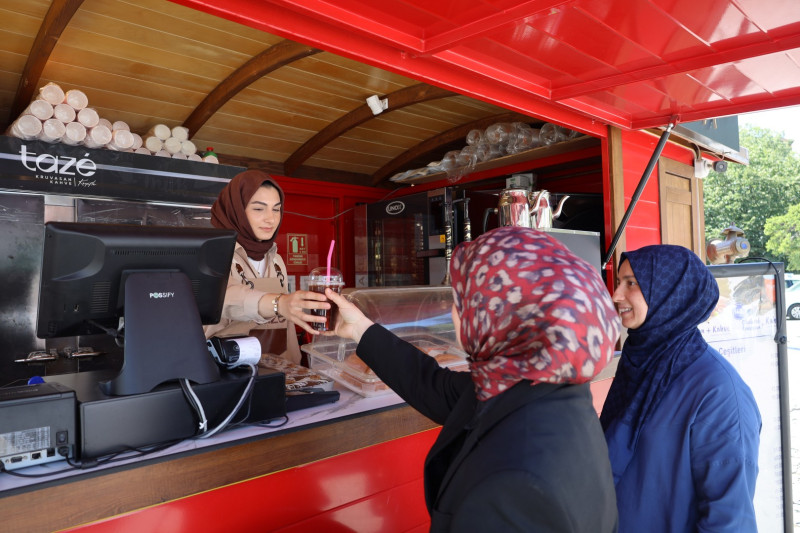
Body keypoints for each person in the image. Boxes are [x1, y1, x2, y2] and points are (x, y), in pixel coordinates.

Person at [325, 226, 621, 532]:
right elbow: (435, 386)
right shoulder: (544, 389)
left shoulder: (516, 487)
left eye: (464, 301)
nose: (453, 313)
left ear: (503, 314)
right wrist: (359, 328)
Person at [600, 244, 761, 532]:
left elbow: (729, 520)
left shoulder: (719, 392)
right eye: (619, 282)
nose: (616, 295)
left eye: (631, 283)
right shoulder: (640, 364)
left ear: (670, 291)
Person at [204, 169, 328, 363]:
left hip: (275, 367)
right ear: (236, 210)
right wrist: (278, 303)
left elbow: (285, 326)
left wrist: (294, 365)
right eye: (259, 209)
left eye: (276, 209)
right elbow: (225, 300)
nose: (271, 218)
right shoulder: (211, 254)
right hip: (226, 370)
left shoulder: (276, 259)